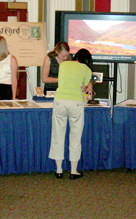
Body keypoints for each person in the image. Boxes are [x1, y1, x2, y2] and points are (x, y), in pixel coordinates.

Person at [49, 48, 92, 180]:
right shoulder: (87, 70)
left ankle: (59, 170)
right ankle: (73, 171)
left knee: (57, 136)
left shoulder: (64, 64)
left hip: (60, 101)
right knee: (75, 137)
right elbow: (84, 87)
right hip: (76, 103)